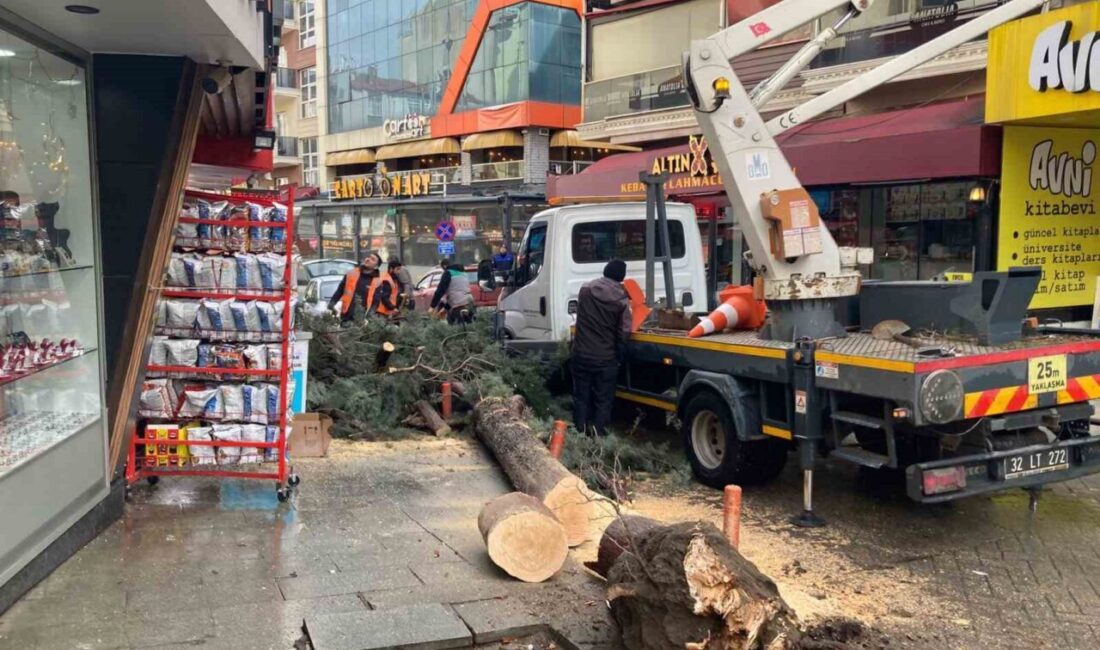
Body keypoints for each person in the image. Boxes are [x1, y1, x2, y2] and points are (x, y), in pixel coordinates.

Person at [572, 260, 631, 436]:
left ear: (605, 271)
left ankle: (579, 433)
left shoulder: (585, 291)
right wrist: (620, 356)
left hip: (581, 355)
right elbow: (624, 332)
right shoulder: (621, 300)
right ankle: (599, 436)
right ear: (621, 277)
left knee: (581, 398)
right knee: (603, 401)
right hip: (606, 359)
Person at [327, 253, 397, 322]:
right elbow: (340, 290)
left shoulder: (378, 281)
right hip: (347, 315)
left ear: (376, 267)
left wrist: (370, 317)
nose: (368, 259)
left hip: (363, 319)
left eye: (372, 259)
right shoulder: (351, 273)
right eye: (368, 257)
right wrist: (331, 304)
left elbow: (376, 302)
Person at [430, 259, 476, 324]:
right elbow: (456, 294)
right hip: (470, 303)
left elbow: (440, 290)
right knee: (471, 326)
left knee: (456, 328)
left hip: (459, 307)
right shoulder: (463, 273)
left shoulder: (448, 273)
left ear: (444, 266)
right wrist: (445, 309)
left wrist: (432, 306)